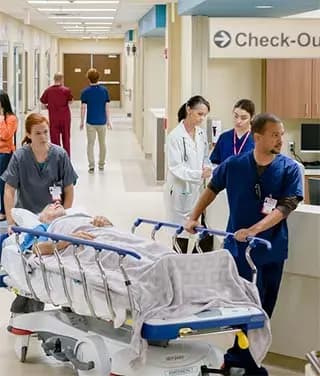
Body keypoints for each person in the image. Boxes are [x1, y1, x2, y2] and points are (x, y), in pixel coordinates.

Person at [185, 113, 303, 376]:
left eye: (282, 134)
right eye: (275, 134)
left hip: (271, 250)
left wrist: (254, 230)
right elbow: (212, 188)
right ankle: (239, 359)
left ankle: (245, 360)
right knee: (237, 306)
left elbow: (286, 206)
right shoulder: (235, 165)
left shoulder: (289, 169)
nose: (281, 139)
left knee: (263, 308)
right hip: (237, 252)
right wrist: (193, 217)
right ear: (257, 136)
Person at [1, 112, 78, 314]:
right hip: (30, 218)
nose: (43, 137)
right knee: (33, 262)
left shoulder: (60, 155)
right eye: (38, 133)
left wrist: (65, 215)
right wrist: (11, 221)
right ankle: (29, 305)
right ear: (28, 134)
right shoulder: (20, 157)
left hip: (56, 217)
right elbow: (9, 190)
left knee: (65, 255)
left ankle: (70, 304)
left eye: (45, 132)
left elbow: (69, 189)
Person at [164, 95, 212, 253]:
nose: (202, 118)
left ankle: (195, 266)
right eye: (199, 114)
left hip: (196, 189)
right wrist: (199, 174)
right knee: (181, 233)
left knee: (199, 230)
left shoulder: (201, 134)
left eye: (205, 115)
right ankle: (178, 266)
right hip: (180, 189)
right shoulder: (175, 136)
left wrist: (207, 168)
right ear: (188, 110)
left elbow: (205, 157)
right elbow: (176, 167)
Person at [20, 202, 113, 255]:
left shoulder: (78, 217)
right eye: (50, 206)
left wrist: (104, 221)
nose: (56, 203)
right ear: (43, 218)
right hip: (93, 247)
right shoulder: (45, 227)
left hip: (106, 237)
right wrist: (68, 239)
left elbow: (111, 229)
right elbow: (37, 248)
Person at [80, 68, 112, 173]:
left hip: (90, 122)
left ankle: (91, 166)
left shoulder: (85, 92)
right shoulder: (104, 91)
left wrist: (81, 121)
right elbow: (107, 107)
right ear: (98, 77)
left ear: (88, 79)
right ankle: (101, 164)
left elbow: (83, 108)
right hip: (102, 121)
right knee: (102, 144)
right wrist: (108, 120)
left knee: (90, 144)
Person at [210, 99, 255, 165]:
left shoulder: (258, 139)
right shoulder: (224, 137)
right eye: (236, 116)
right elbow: (215, 163)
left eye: (243, 118)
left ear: (252, 118)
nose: (238, 121)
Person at [40, 72, 73, 156]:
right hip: (65, 118)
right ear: (62, 79)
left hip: (54, 119)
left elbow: (43, 105)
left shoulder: (48, 90)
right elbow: (70, 102)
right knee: (66, 139)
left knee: (55, 141)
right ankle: (66, 159)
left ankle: (56, 159)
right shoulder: (66, 90)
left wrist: (50, 107)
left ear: (54, 79)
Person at [0, 91, 18, 221]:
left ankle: (4, 211)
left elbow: (6, 136)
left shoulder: (11, 119)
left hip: (5, 154)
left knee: (2, 183)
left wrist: (1, 119)